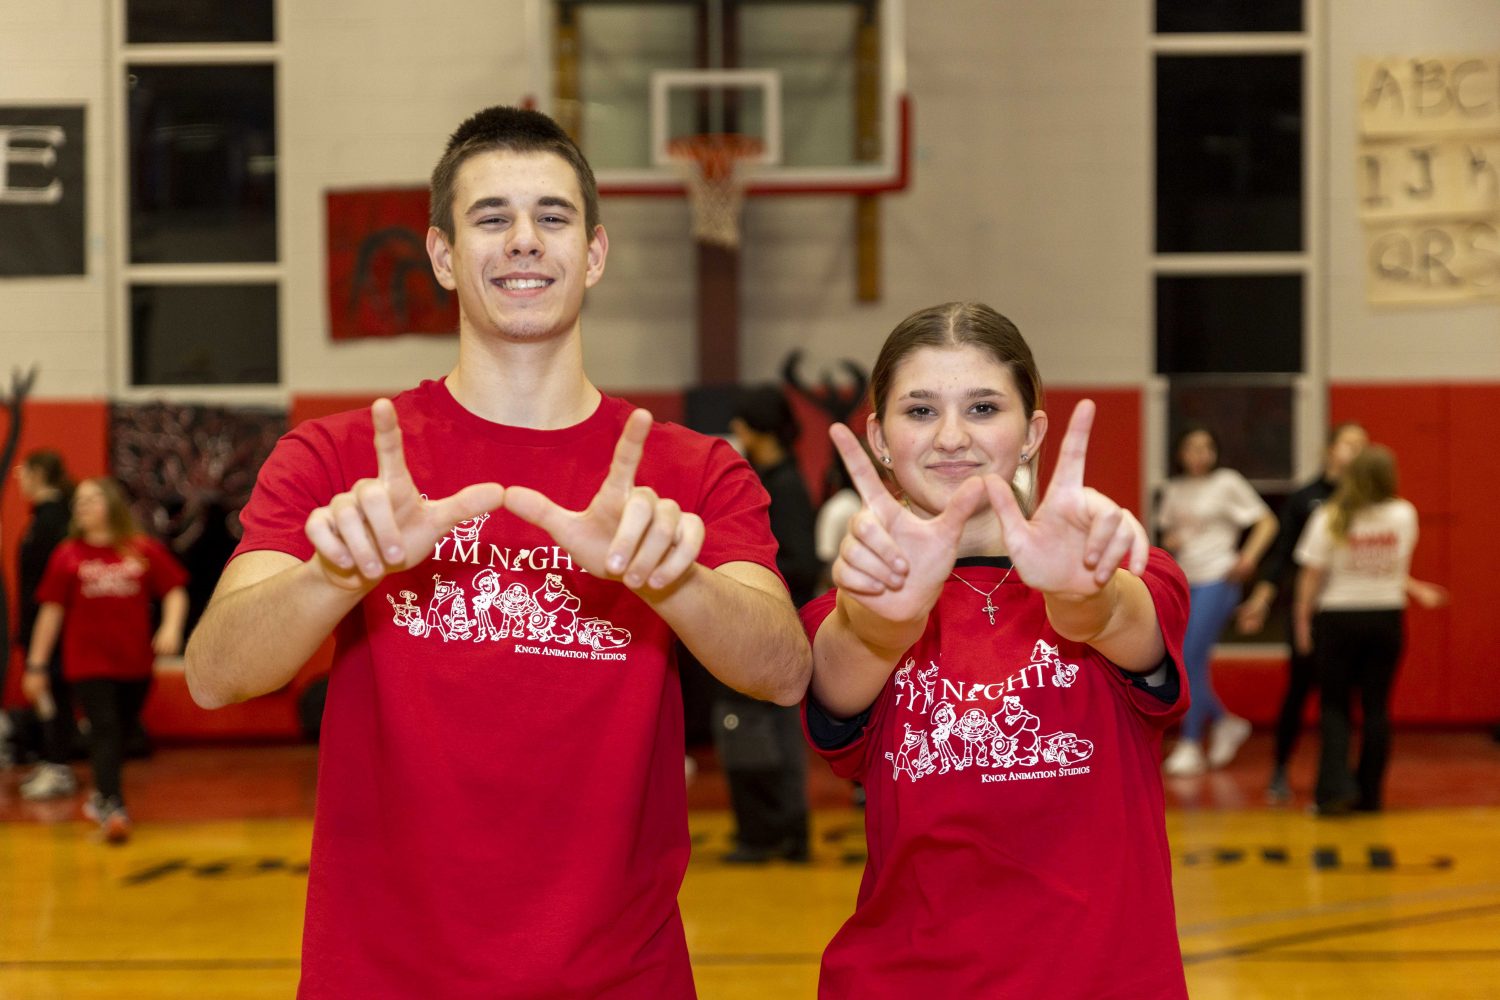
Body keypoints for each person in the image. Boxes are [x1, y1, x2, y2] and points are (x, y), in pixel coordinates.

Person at [183, 105, 811, 998]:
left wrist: (676, 582)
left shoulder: (693, 470)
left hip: (619, 977)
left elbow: (783, 671)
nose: (524, 241)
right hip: (382, 977)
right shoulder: (339, 458)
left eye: (553, 217)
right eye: (492, 218)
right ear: (442, 255)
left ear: (594, 252)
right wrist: (336, 575)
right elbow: (215, 675)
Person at [801, 302, 1190, 997]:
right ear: (878, 437)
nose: (952, 437)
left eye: (983, 408)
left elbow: (1122, 625)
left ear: (1033, 432)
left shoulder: (1132, 571)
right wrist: (885, 624)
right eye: (919, 411)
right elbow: (839, 673)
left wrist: (1083, 598)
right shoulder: (847, 609)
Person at [23, 477, 188, 842]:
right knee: (106, 728)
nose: (82, 506)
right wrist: (35, 666)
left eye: (91, 499)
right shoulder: (67, 555)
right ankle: (113, 805)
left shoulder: (140, 548)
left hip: (135, 663)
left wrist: (172, 627)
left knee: (123, 732)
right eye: (78, 501)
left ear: (111, 504)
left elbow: (174, 589)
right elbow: (51, 613)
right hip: (87, 663)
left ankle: (102, 795)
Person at [1293, 445, 1445, 816]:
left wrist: (1301, 621)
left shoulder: (1332, 515)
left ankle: (1333, 792)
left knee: (1335, 706)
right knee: (1376, 708)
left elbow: (1311, 575)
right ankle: (1370, 796)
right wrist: (1415, 588)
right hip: (1386, 618)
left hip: (1339, 619)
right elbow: (1390, 567)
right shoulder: (1403, 514)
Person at [1236, 422, 1368, 803]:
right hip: (1308, 614)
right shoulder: (1306, 498)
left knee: (1342, 701)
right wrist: (1261, 600)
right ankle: (1279, 769)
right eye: (1349, 444)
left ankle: (1337, 780)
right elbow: (1282, 558)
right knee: (1298, 692)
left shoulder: (1366, 501)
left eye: (1363, 446)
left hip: (1349, 615)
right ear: (1330, 449)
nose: (1356, 452)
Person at [714, 384, 815, 863]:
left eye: (742, 422)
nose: (735, 430)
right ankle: (764, 831)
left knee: (770, 737)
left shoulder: (786, 487)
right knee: (750, 734)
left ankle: (777, 833)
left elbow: (800, 561)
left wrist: (748, 572)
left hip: (776, 626)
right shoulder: (764, 479)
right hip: (755, 621)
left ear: (760, 428)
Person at [1156, 425, 1277, 776]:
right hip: (1185, 580)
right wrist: (1170, 540)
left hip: (1218, 578)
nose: (1199, 454)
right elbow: (1166, 533)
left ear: (1214, 452)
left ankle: (1191, 743)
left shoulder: (1227, 482)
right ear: (1180, 453)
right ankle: (1225, 722)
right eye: (1191, 447)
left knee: (1189, 657)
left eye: (1206, 447)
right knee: (1186, 660)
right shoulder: (1173, 489)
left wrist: (1248, 558)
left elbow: (1266, 522)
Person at [14, 451, 81, 799]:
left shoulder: (55, 520)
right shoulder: (40, 518)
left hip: (51, 628)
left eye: (23, 472)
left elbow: (55, 588)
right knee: (44, 695)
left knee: (51, 692)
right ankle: (50, 761)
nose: (18, 478)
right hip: (35, 624)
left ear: (39, 474)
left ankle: (58, 767)